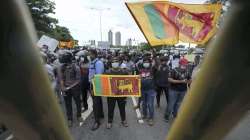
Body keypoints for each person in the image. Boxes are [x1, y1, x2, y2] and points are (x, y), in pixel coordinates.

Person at [59, 51, 82, 127]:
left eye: (63, 56)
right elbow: (61, 78)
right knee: (67, 104)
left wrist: (68, 87)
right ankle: (70, 119)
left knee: (78, 102)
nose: (61, 58)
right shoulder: (62, 67)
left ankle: (79, 115)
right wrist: (62, 87)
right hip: (66, 89)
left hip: (75, 89)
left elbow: (78, 80)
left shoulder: (76, 67)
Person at [105, 57, 129, 129]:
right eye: (113, 61)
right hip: (111, 94)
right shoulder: (107, 72)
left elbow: (128, 82)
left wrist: (126, 95)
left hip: (121, 94)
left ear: (119, 63)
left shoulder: (124, 72)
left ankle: (123, 120)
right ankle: (109, 121)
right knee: (110, 108)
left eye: (116, 61)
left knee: (122, 108)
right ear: (111, 63)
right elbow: (103, 82)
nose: (115, 63)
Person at [88, 49, 105, 131]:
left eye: (90, 54)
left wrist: (93, 87)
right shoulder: (93, 62)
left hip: (96, 84)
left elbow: (98, 77)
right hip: (93, 84)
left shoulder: (98, 63)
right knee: (98, 100)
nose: (89, 56)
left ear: (94, 54)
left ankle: (97, 121)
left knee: (96, 103)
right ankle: (101, 114)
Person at [139, 57, 156, 126]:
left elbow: (157, 64)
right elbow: (138, 77)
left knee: (150, 104)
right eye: (144, 62)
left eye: (147, 62)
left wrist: (154, 56)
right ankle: (144, 114)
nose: (146, 63)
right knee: (144, 103)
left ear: (150, 63)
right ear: (143, 63)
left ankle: (151, 118)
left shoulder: (153, 69)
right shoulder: (141, 70)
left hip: (151, 90)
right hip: (143, 89)